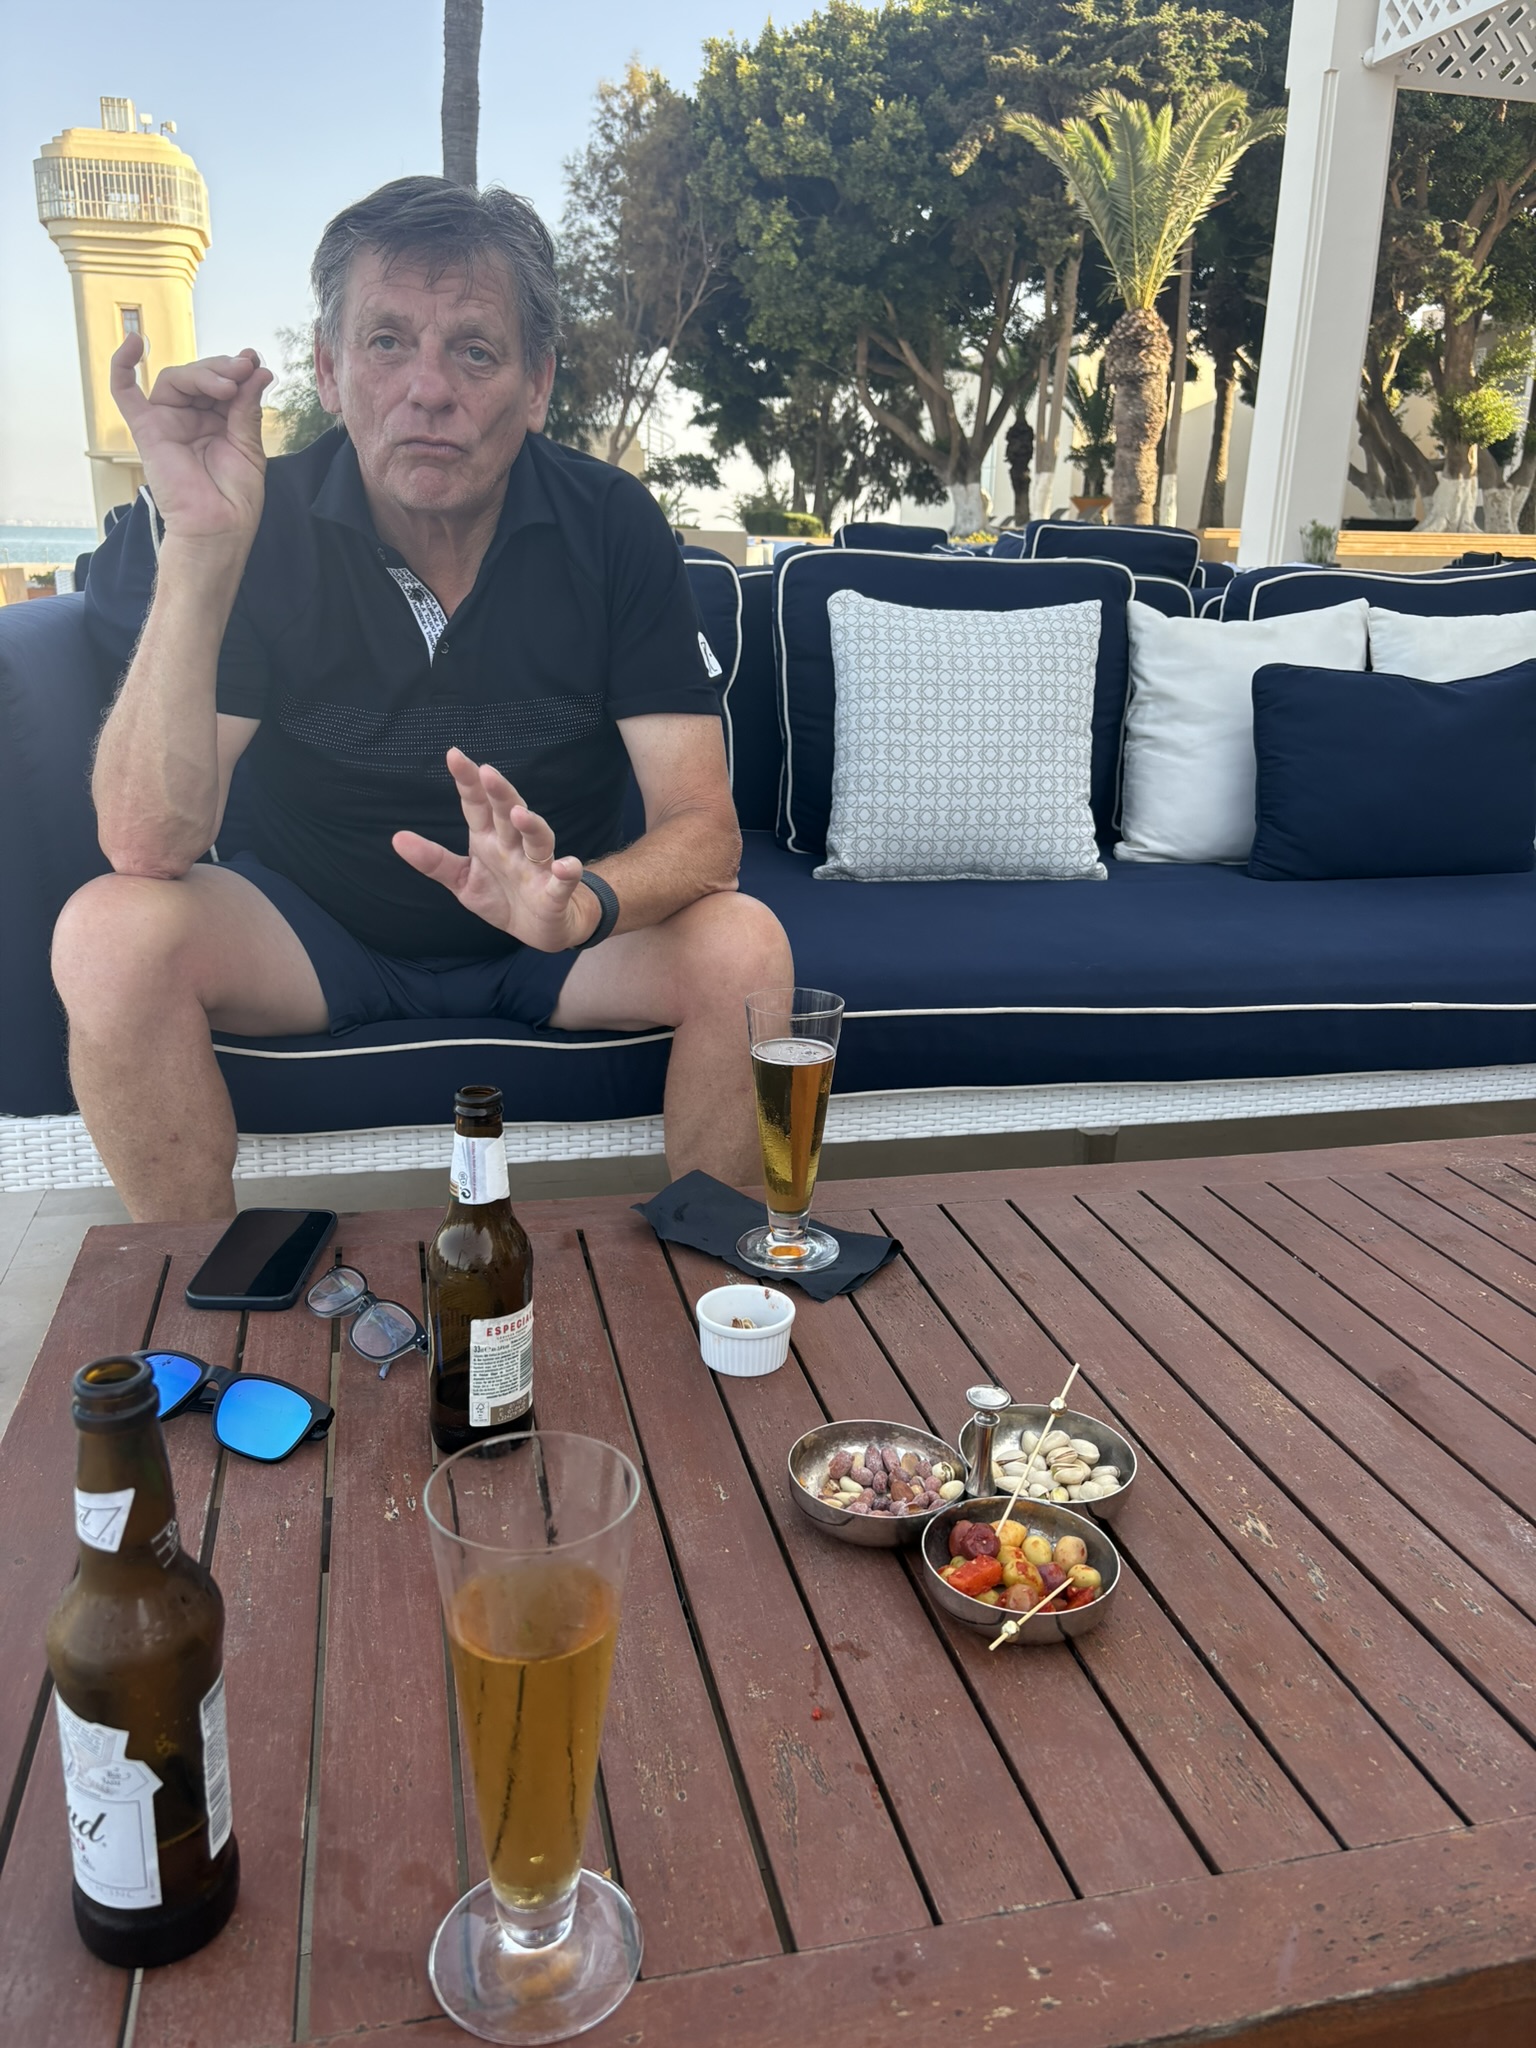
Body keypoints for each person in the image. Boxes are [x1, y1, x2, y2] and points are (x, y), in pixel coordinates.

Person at [51, 177, 792, 1223]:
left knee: (745, 945)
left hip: (551, 937)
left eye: (475, 352)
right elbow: (145, 841)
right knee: (107, 933)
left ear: (536, 385)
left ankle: (714, 1275)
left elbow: (704, 831)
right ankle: (199, 1287)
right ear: (329, 369)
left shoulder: (611, 522)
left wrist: (581, 902)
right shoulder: (259, 519)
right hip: (315, 933)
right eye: (387, 342)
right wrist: (202, 548)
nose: (428, 389)